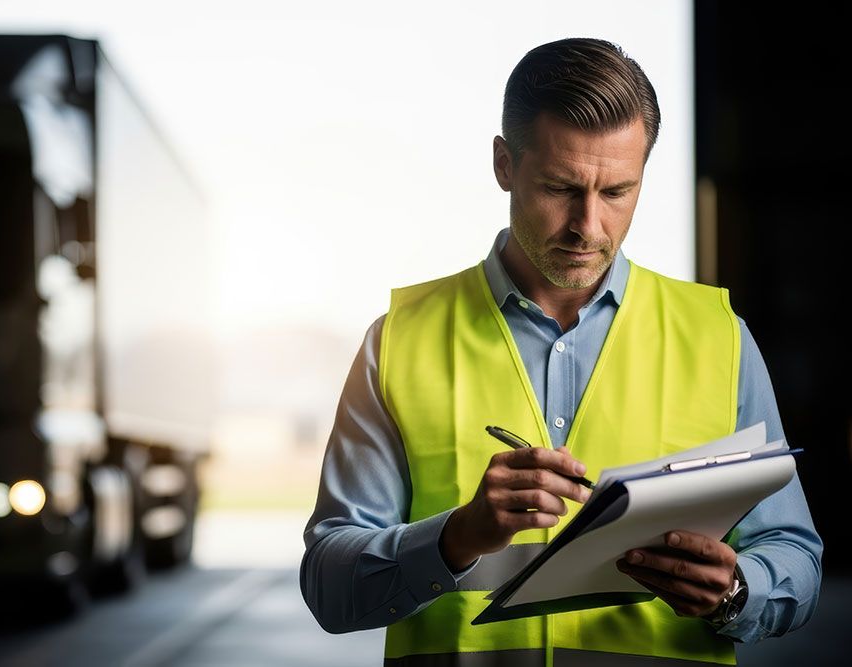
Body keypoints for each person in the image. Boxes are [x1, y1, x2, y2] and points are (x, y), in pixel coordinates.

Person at [300, 37, 823, 666]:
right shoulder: (401, 340)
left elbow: (795, 554)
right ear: (503, 165)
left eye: (617, 193)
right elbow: (328, 587)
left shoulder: (718, 336)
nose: (588, 226)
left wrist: (739, 590)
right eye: (560, 188)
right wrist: (457, 536)